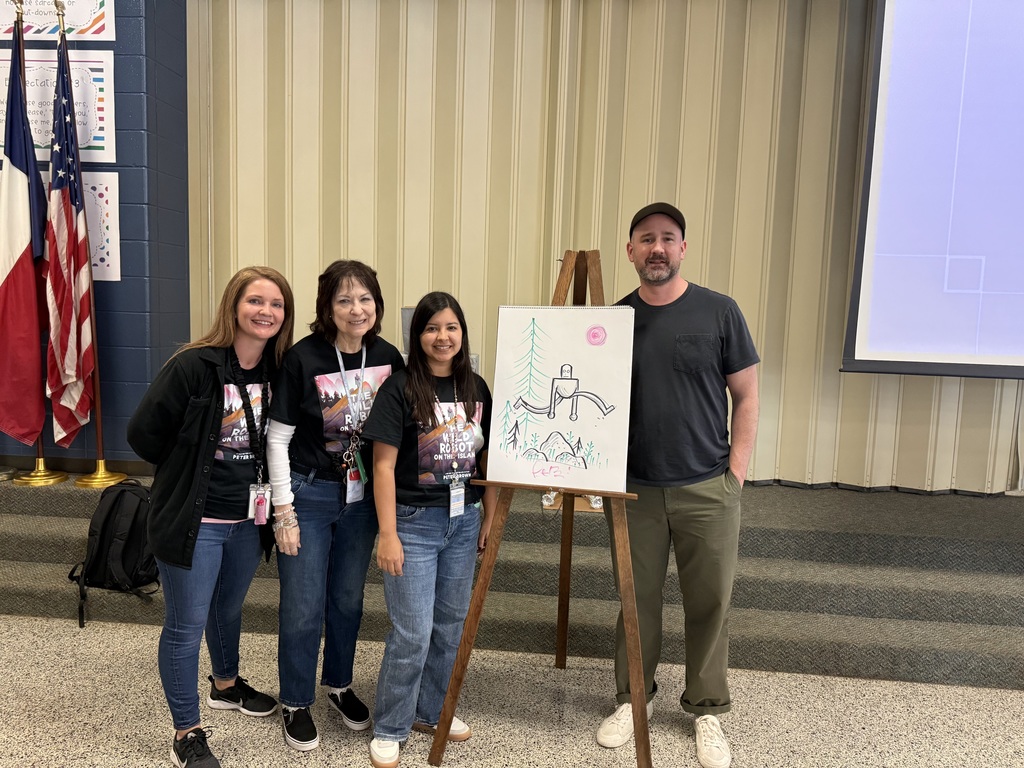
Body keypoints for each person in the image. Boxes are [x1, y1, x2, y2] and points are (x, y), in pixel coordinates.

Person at [594, 203, 759, 768]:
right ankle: (632, 700)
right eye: (646, 239)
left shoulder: (720, 312)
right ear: (631, 251)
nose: (657, 248)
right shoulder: (614, 322)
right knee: (635, 602)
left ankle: (707, 708)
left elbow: (748, 394)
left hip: (708, 486)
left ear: (683, 248)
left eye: (667, 239)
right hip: (635, 489)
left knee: (710, 600)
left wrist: (735, 474)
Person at [128, 266, 295, 768]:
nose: (266, 311)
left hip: (248, 519)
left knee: (228, 609)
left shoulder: (278, 370)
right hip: (195, 522)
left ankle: (225, 685)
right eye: (255, 301)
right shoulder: (195, 366)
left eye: (277, 304)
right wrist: (189, 465)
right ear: (234, 306)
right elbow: (143, 434)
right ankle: (186, 733)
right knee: (185, 625)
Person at [265, 260, 405, 751]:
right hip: (309, 493)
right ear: (327, 306)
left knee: (347, 600)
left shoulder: (389, 356)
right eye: (344, 300)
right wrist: (283, 512)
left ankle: (338, 684)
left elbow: (401, 435)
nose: (356, 308)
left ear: (377, 304)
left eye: (365, 298)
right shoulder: (303, 358)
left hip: (363, 499)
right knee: (303, 606)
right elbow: (277, 439)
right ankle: (297, 700)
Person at [361, 291, 496, 768]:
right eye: (432, 328)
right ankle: (391, 725)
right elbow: (381, 468)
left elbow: (486, 460)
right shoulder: (399, 388)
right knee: (412, 632)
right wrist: (388, 533)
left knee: (449, 627)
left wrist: (490, 517)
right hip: (413, 524)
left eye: (451, 328)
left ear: (462, 334)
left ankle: (431, 709)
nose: (443, 337)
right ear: (418, 336)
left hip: (464, 521)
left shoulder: (476, 387)